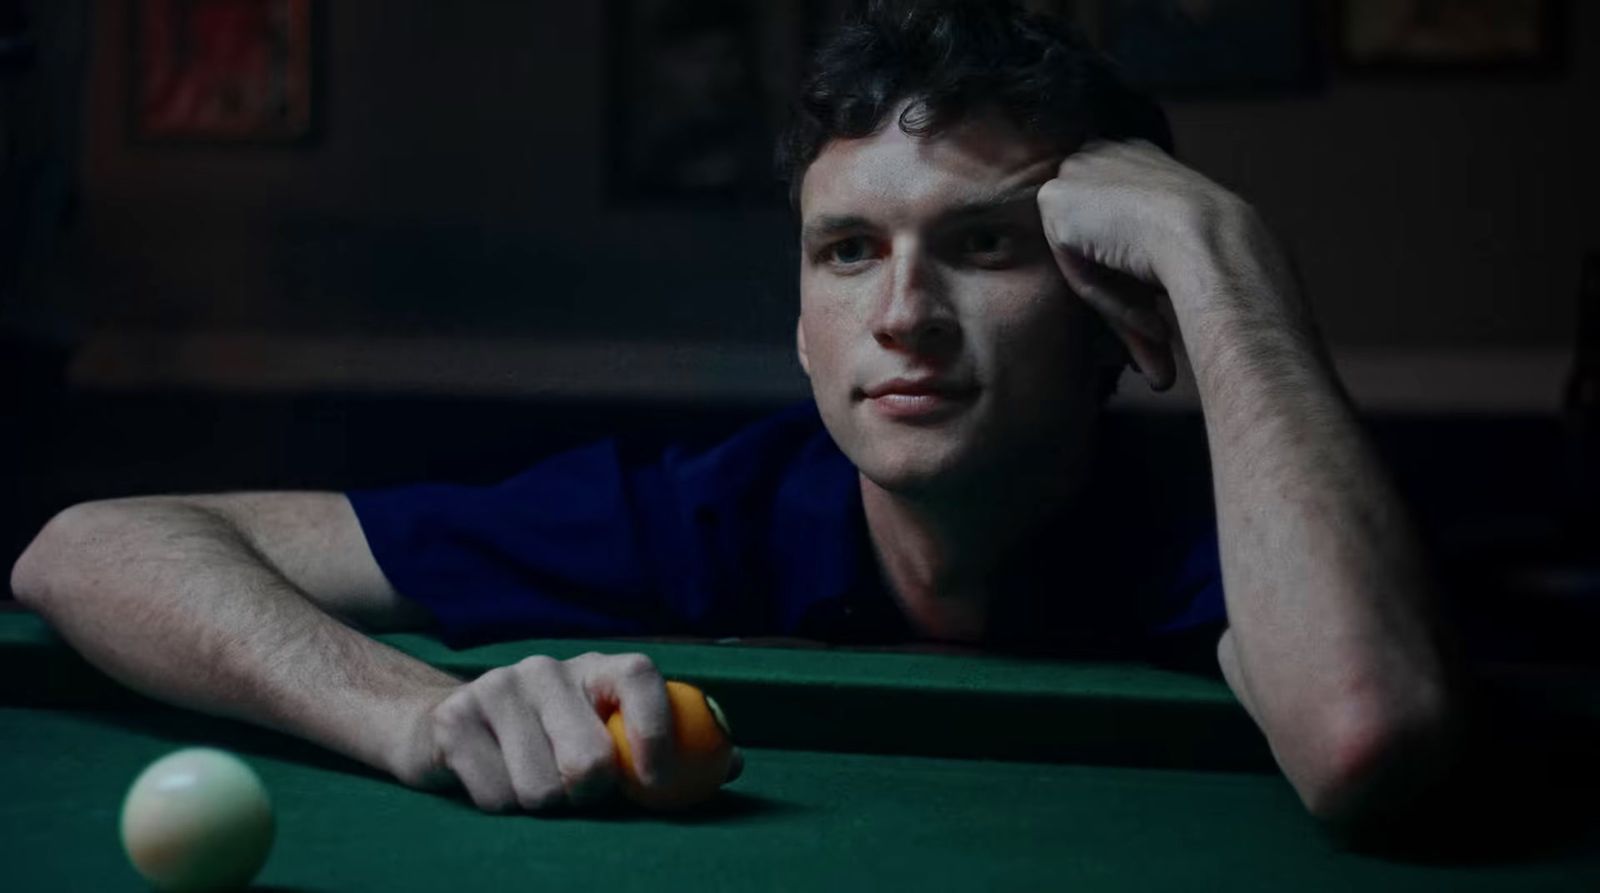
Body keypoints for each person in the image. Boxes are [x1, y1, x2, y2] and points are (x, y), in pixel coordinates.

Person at [9, 0, 1449, 826]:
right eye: (846, 251)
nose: (902, 311)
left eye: (987, 244)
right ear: (800, 317)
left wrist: (1221, 257)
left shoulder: (1236, 538)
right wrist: (415, 717)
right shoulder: (703, 517)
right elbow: (92, 545)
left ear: (1121, 317)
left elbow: (1363, 733)